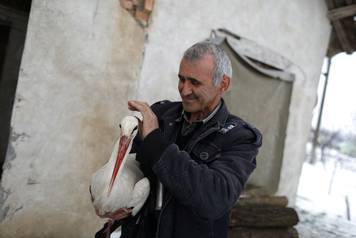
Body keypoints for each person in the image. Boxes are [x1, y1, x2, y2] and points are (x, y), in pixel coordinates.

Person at [96, 41, 262, 238]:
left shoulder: (240, 137)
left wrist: (155, 141)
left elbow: (216, 198)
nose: (184, 90)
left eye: (195, 82)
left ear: (223, 84)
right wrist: (112, 198)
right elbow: (129, 171)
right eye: (181, 79)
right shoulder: (160, 114)